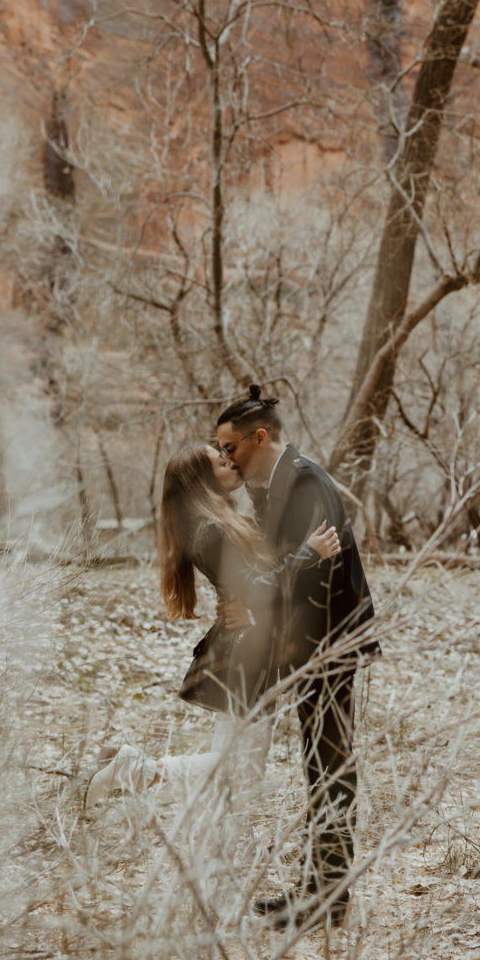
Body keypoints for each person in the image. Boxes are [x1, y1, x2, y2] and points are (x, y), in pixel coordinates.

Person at [84, 442, 341, 810]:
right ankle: (135, 769)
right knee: (241, 773)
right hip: (245, 654)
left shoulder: (218, 523)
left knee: (239, 770)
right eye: (222, 461)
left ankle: (142, 776)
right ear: (204, 479)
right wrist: (310, 554)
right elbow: (257, 588)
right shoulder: (211, 531)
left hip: (246, 646)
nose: (231, 462)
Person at [215, 385, 381, 930]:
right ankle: (317, 893)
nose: (225, 459)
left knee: (331, 766)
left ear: (260, 437)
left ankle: (326, 902)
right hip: (307, 647)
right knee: (319, 765)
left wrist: (261, 608)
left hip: (331, 645)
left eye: (230, 447)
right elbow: (286, 561)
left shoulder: (305, 481)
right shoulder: (271, 486)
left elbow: (318, 573)